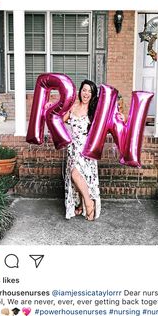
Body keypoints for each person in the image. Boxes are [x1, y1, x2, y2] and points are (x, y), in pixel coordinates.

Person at [63, 80, 101, 221]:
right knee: (77, 178)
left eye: (89, 91)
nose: (86, 94)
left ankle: (89, 203)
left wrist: (122, 117)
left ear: (93, 95)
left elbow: (109, 121)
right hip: (73, 148)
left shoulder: (94, 110)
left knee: (76, 174)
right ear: (80, 91)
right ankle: (80, 205)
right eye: (84, 90)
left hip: (86, 150)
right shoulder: (73, 107)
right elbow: (61, 120)